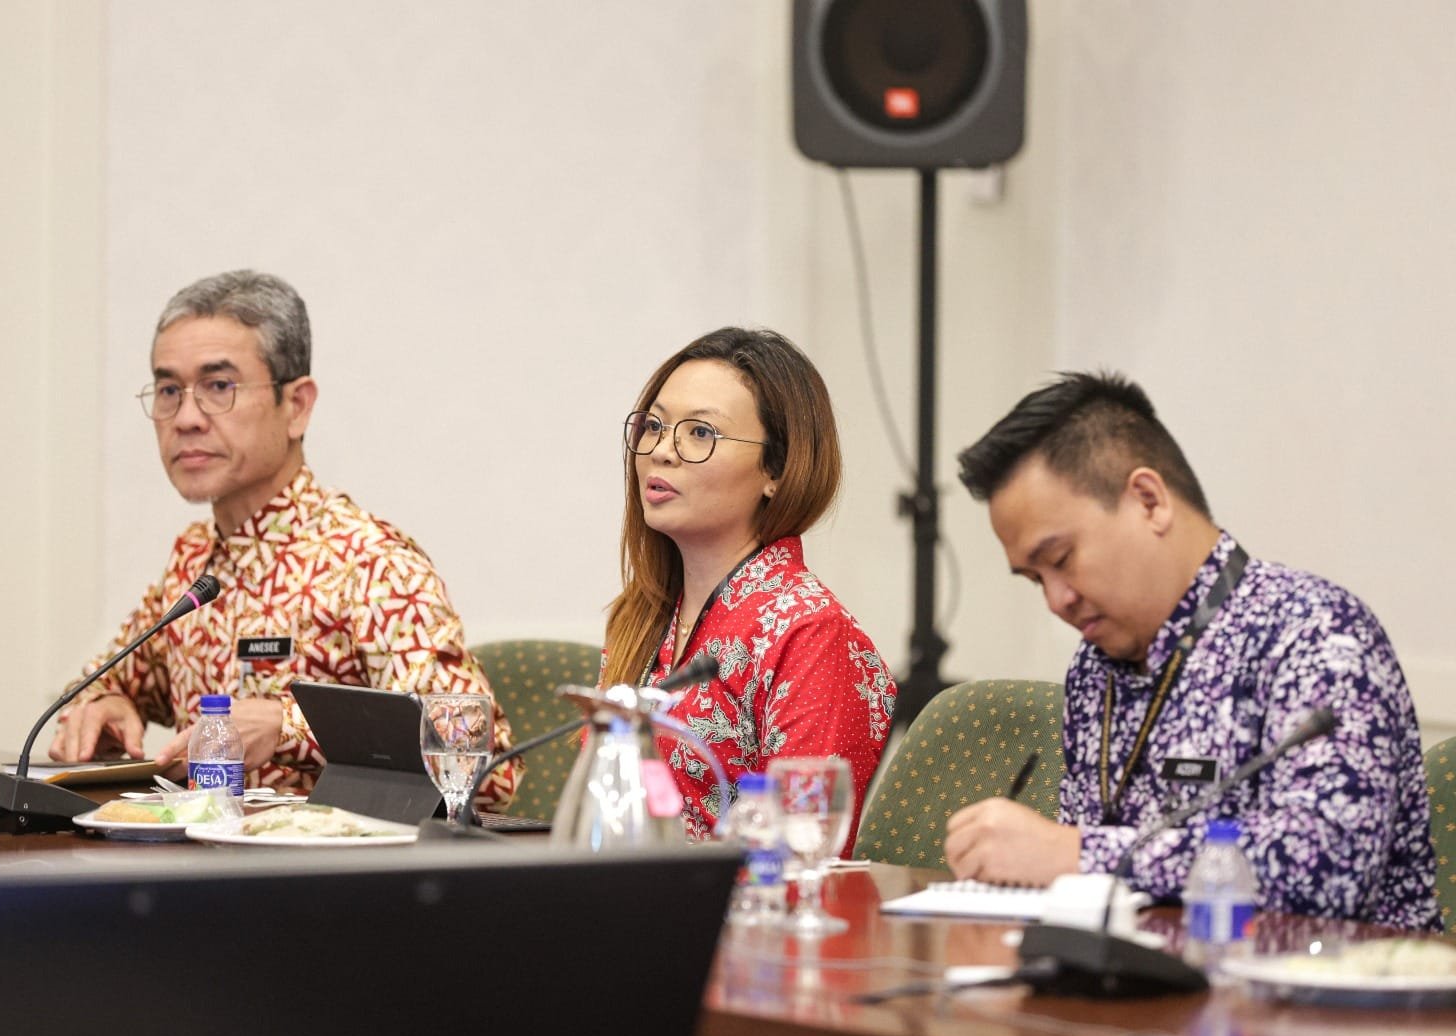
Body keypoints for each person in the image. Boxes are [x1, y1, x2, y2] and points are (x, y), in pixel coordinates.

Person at [944, 370, 1437, 930]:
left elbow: (1327, 870)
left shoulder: (1315, 632)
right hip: (1139, 974)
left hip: (1331, 982)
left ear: (1149, 501)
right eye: (1036, 579)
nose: (1057, 600)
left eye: (1060, 560)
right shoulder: (1096, 666)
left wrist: (1075, 854)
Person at [51, 269, 517, 806]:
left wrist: (290, 727)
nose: (186, 418)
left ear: (296, 406)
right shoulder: (194, 561)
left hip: (330, 858)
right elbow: (98, 684)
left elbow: (487, 768)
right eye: (169, 390)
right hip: (193, 855)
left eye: (219, 387)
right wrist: (107, 704)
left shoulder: (371, 565)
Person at [601, 327, 896, 847]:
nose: (661, 451)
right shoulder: (642, 615)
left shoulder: (813, 635)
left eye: (700, 433)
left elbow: (799, 852)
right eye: (654, 426)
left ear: (776, 471)